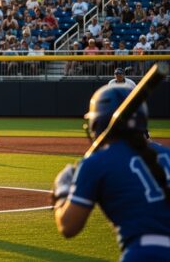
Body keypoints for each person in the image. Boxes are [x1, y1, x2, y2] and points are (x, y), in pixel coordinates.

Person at [51, 85, 170, 261]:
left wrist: (62, 190)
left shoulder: (96, 163)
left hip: (145, 254)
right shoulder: (167, 153)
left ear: (97, 122)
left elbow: (68, 226)